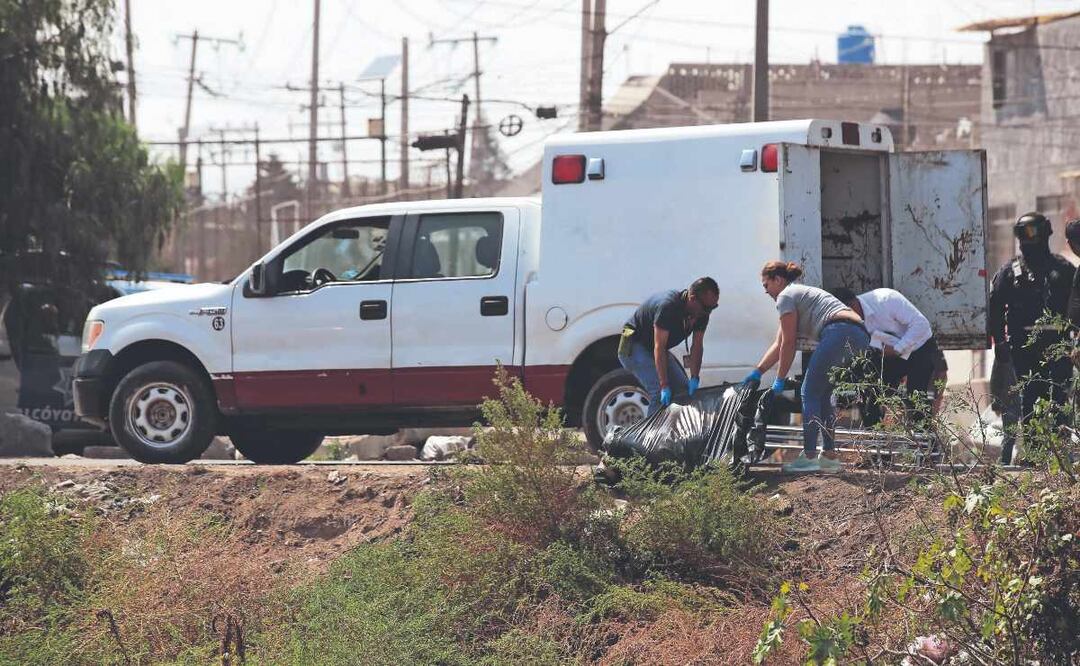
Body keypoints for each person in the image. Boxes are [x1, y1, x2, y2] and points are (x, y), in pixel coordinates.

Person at [745, 261, 869, 473]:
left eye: (766, 285)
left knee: (808, 392)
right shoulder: (796, 295)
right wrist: (758, 371)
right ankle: (829, 457)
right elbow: (780, 343)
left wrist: (780, 379)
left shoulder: (785, 296)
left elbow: (789, 344)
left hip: (839, 331)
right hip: (859, 335)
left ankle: (809, 456)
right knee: (823, 395)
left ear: (778, 280)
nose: (765, 291)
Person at [989, 212, 1075, 464]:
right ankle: (1036, 457)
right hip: (1024, 349)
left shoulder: (1063, 270)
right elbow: (995, 309)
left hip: (1058, 346)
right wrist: (1000, 343)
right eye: (1025, 233)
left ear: (1046, 232)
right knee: (1030, 402)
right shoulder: (1011, 272)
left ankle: (1060, 459)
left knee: (1059, 400)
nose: (1030, 239)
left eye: (1033, 232)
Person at [831, 287, 940, 427]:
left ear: (851, 306)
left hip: (920, 347)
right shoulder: (851, 322)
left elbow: (922, 325)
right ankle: (874, 433)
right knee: (867, 387)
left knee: (917, 397)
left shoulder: (886, 299)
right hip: (890, 353)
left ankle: (924, 437)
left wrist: (897, 349)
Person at [618, 277, 720, 416]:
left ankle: (675, 429)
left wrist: (694, 377)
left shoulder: (702, 313)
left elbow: (697, 346)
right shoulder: (668, 307)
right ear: (692, 299)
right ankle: (652, 430)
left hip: (656, 347)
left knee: (683, 391)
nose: (708, 312)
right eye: (706, 308)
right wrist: (664, 385)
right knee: (658, 393)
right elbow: (659, 347)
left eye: (713, 307)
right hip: (635, 346)